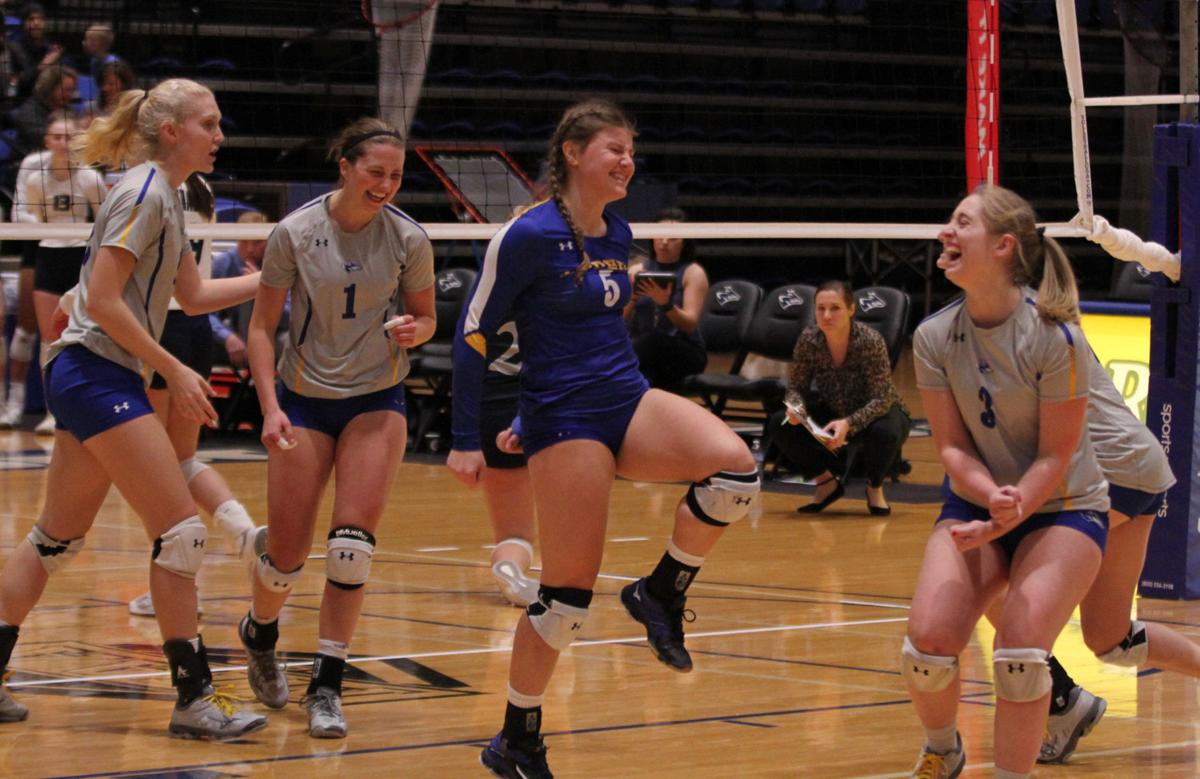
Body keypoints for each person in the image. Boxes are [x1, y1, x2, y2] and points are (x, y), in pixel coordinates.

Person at [448, 99, 758, 779]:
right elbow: (472, 334)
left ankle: (661, 590)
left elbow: (599, 329)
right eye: (613, 148)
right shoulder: (525, 236)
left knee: (737, 471)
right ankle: (517, 738)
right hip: (566, 418)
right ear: (572, 153)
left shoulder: (617, 231)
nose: (627, 161)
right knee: (565, 599)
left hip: (626, 396)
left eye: (630, 151)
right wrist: (466, 435)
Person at [0, 78, 265, 738]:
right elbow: (106, 298)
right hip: (93, 369)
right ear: (172, 130)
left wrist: (275, 274)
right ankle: (194, 698)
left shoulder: (169, 197)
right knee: (180, 531)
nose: (220, 135)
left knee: (55, 539)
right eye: (210, 123)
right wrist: (173, 368)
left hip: (91, 369)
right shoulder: (145, 192)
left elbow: (196, 293)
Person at [237, 117, 436, 739]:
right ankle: (260, 633)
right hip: (303, 400)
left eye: (396, 175)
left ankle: (326, 684)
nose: (386, 184)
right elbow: (262, 328)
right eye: (375, 172)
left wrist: (416, 330)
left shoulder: (409, 238)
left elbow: (427, 319)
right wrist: (270, 407)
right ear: (345, 166)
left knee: (352, 549)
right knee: (287, 557)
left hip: (377, 399)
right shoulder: (295, 232)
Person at [904, 185, 1109, 779]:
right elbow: (950, 446)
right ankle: (944, 749)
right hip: (979, 506)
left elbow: (1056, 455)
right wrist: (989, 497)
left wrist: (1013, 509)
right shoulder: (934, 336)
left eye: (960, 221)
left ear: (1002, 246)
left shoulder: (1056, 336)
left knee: (1019, 653)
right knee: (927, 648)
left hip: (1064, 509)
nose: (946, 232)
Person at [126, 173, 266, 617]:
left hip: (154, 327)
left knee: (154, 469)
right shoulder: (200, 188)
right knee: (180, 460)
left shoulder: (149, 187)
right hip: (195, 329)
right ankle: (241, 530)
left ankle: (175, 580)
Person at [771, 279, 910, 515]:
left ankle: (874, 486)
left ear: (851, 309)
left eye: (835, 308)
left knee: (886, 431)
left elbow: (882, 398)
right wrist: (795, 409)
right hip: (834, 409)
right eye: (820, 308)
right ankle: (826, 484)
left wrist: (849, 423)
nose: (826, 315)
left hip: (877, 412)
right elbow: (795, 387)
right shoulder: (809, 340)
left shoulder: (870, 340)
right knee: (780, 423)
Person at [16, 111, 106, 434]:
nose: (63, 143)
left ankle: (86, 407)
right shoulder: (35, 179)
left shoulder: (89, 178)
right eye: (57, 136)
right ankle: (53, 412)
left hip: (80, 259)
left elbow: (104, 219)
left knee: (86, 335)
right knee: (49, 338)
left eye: (69, 137)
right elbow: (32, 220)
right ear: (47, 141)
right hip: (49, 256)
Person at [623, 207, 708, 390]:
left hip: (684, 350)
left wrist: (665, 304)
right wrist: (632, 299)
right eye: (660, 235)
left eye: (672, 238)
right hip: (644, 349)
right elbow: (619, 319)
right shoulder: (637, 270)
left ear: (684, 242)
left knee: (652, 342)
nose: (664, 242)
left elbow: (689, 325)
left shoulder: (693, 273)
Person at [209, 209, 282, 368]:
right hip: (232, 332)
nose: (249, 249)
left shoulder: (279, 263)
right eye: (243, 242)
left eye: (257, 242)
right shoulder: (222, 264)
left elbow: (291, 314)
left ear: (268, 240)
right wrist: (227, 337)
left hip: (272, 333)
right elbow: (204, 312)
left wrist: (264, 291)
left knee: (292, 344)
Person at [7, 64, 77, 158]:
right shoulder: (29, 110)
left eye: (72, 90)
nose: (71, 95)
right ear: (50, 88)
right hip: (29, 162)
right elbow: (42, 138)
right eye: (66, 90)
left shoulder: (67, 109)